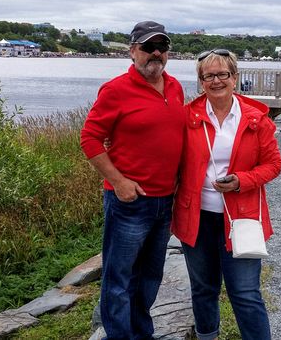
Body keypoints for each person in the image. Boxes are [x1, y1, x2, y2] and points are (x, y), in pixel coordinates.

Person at [79, 20, 186, 340]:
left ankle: (141, 333)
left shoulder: (176, 87)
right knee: (119, 279)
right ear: (132, 51)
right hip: (129, 202)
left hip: (165, 202)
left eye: (162, 47)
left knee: (150, 277)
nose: (156, 53)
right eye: (148, 47)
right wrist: (119, 182)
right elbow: (90, 139)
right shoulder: (115, 90)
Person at [172, 49, 281, 340]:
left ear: (235, 78)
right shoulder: (186, 117)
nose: (216, 80)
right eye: (209, 76)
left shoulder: (256, 119)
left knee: (245, 293)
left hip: (241, 217)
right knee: (203, 289)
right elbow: (165, 153)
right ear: (201, 81)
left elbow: (274, 165)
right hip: (196, 217)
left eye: (223, 74)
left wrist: (241, 181)